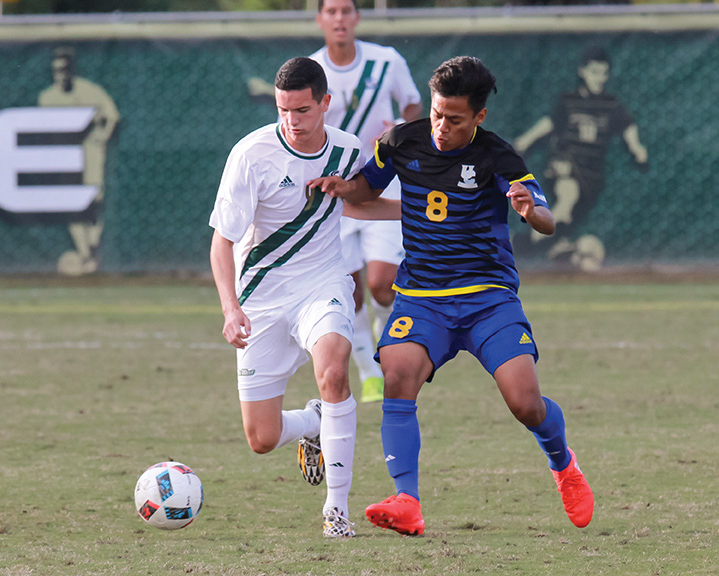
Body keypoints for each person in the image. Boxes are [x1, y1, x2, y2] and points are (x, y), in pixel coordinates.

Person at [309, 56, 594, 536]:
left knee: (525, 403)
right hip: (422, 296)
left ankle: (563, 464)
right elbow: (366, 187)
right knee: (396, 373)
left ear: (479, 116)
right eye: (438, 113)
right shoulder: (403, 140)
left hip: (487, 296)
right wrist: (344, 188)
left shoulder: (499, 157)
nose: (441, 127)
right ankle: (407, 500)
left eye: (455, 119)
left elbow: (545, 219)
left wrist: (530, 210)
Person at [209, 57, 365, 538]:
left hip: (323, 283)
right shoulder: (251, 155)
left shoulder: (350, 151)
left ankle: (336, 512)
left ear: (325, 103)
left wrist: (427, 215)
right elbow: (222, 242)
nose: (291, 121)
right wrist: (230, 308)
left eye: (301, 110)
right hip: (262, 298)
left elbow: (367, 200)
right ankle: (314, 422)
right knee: (262, 438)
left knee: (335, 371)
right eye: (283, 110)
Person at [310, 0, 423, 403]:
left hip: (381, 183)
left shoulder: (385, 61)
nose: (339, 19)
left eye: (346, 10)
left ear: (357, 17)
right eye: (332, 11)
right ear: (320, 18)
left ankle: (383, 340)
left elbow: (412, 106)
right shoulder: (312, 69)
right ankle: (368, 371)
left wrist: (403, 129)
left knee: (381, 284)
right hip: (335, 192)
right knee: (349, 291)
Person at [513, 46, 648, 271]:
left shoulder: (610, 105)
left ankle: (526, 246)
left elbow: (627, 127)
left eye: (604, 73)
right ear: (582, 72)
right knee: (568, 196)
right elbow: (549, 123)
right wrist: (525, 141)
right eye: (594, 72)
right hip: (565, 163)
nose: (599, 78)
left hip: (591, 175)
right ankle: (541, 232)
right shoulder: (568, 101)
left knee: (566, 230)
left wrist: (637, 148)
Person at [38, 47, 120, 276]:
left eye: (65, 70)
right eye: (56, 71)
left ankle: (92, 246)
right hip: (65, 156)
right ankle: (85, 254)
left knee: (94, 200)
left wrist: (101, 138)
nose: (61, 75)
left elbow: (112, 115)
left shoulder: (90, 91)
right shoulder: (47, 97)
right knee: (72, 204)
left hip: (90, 151)